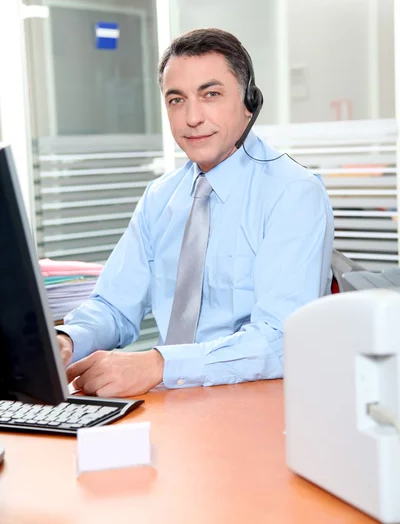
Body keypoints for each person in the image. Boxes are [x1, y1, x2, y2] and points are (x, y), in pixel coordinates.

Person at [57, 28, 334, 398]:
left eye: (211, 94)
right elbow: (113, 305)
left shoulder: (293, 193)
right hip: (170, 401)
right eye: (176, 100)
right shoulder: (161, 197)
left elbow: (278, 340)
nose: (191, 117)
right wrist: (66, 341)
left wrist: (159, 364)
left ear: (249, 101)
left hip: (253, 403)